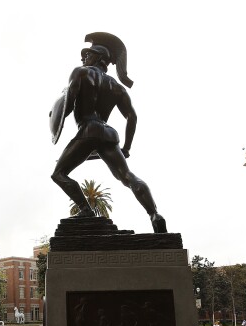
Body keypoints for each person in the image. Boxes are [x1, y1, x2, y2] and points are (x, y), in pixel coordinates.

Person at [51, 33, 166, 233]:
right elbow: (132, 117)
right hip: (108, 134)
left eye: (88, 54)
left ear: (99, 58)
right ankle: (155, 214)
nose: (83, 58)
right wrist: (127, 147)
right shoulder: (117, 87)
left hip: (88, 130)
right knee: (127, 177)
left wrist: (55, 114)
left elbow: (69, 104)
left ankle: (86, 209)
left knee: (59, 173)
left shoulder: (80, 73)